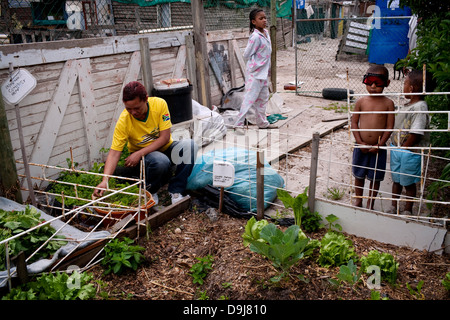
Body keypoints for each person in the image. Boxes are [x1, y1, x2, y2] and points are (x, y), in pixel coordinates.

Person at [93, 81, 198, 205]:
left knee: (190, 146)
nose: (133, 113)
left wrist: (138, 153)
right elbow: (114, 152)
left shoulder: (160, 104)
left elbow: (165, 137)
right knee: (160, 160)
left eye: (136, 108)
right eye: (128, 109)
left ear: (146, 99)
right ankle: (150, 191)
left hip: (164, 147)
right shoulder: (124, 121)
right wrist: (105, 180)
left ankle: (176, 190)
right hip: (147, 159)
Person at [387, 69, 431, 215]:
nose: (403, 87)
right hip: (398, 149)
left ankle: (407, 209)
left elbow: (416, 132)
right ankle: (394, 205)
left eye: (405, 83)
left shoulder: (420, 107)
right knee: (397, 179)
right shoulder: (408, 105)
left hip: (409, 152)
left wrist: (404, 148)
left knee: (409, 181)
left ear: (411, 88)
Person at [351, 65, 395, 209]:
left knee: (375, 177)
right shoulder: (361, 102)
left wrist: (380, 144)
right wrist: (359, 142)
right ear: (364, 81)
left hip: (378, 148)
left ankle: (371, 201)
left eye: (378, 82)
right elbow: (354, 122)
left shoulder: (388, 104)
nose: (373, 86)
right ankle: (358, 199)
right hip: (361, 146)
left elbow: (390, 127)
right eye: (369, 81)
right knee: (359, 175)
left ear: (387, 83)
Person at [234, 8, 277, 134]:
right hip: (255, 74)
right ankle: (238, 125)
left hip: (263, 74)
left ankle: (262, 123)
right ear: (253, 22)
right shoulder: (255, 37)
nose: (264, 20)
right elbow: (247, 54)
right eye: (261, 18)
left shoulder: (266, 33)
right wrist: (258, 62)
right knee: (249, 100)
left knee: (263, 99)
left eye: (265, 18)